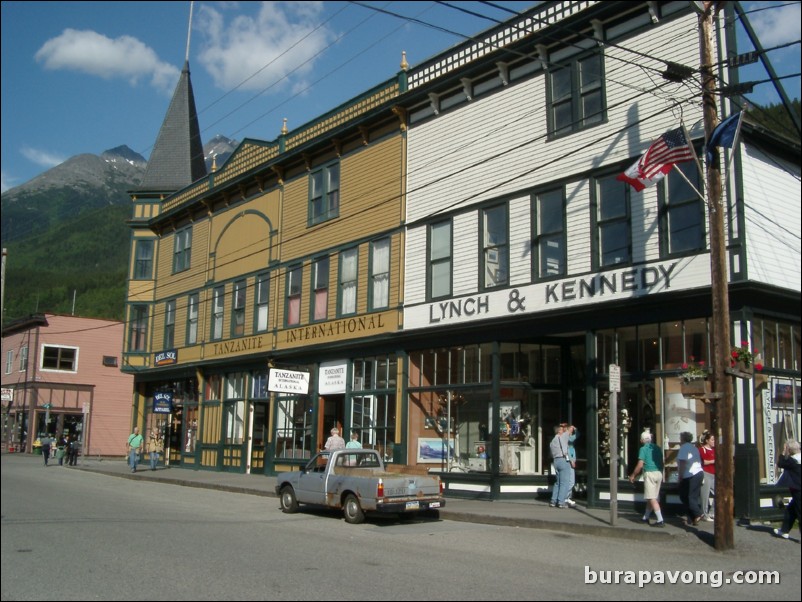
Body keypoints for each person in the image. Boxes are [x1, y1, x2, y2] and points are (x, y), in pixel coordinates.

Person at [629, 430, 665, 527]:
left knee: (652, 498)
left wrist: (633, 475)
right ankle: (646, 517)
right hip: (659, 473)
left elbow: (640, 465)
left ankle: (660, 520)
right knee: (651, 497)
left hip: (650, 473)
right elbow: (662, 462)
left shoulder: (643, 449)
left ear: (642, 440)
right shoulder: (657, 448)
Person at [774, 439, 801, 540]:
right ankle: (784, 530)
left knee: (799, 512)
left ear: (789, 450)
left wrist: (784, 451)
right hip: (798, 490)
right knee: (791, 510)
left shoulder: (792, 461)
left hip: (798, 490)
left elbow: (780, 463)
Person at [677, 431, 704, 525]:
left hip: (690, 474)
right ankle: (693, 518)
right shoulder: (694, 448)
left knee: (686, 496)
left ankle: (698, 514)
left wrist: (680, 476)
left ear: (683, 439)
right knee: (693, 497)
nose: (679, 440)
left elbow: (683, 463)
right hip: (698, 473)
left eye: (680, 438)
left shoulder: (684, 447)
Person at [549, 424, 572, 508]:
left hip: (555, 460)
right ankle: (561, 502)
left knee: (557, 482)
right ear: (559, 431)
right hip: (563, 460)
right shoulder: (561, 437)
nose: (563, 431)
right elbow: (569, 431)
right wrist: (571, 427)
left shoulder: (552, 442)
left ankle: (553, 500)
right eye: (562, 430)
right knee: (564, 483)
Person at [698, 430, 716, 521]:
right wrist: (713, 461)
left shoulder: (714, 450)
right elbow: (703, 462)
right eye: (712, 440)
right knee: (705, 495)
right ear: (707, 441)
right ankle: (704, 514)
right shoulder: (702, 449)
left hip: (714, 474)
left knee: (718, 492)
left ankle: (712, 512)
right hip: (706, 473)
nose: (714, 442)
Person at [563, 424, 578, 508]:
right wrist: (572, 460)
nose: (571, 432)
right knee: (571, 481)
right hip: (569, 461)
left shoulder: (569, 438)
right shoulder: (567, 439)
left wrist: (576, 429)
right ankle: (565, 498)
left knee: (570, 481)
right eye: (570, 430)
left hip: (571, 460)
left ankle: (567, 497)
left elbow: (577, 435)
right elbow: (568, 451)